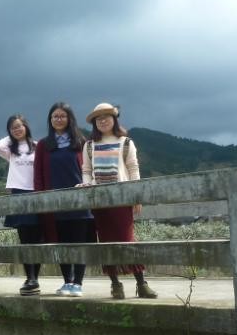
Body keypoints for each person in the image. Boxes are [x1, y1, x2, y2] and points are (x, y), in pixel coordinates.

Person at [82, 102, 158, 299]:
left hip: (122, 200)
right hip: (99, 203)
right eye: (98, 119)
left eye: (106, 117)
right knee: (106, 243)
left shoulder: (126, 142)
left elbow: (133, 168)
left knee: (128, 240)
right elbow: (87, 171)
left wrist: (136, 195)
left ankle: (141, 283)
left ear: (114, 119)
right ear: (94, 123)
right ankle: (115, 284)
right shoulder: (89, 145)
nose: (103, 121)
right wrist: (87, 184)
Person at [33, 102, 95, 297]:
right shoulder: (43, 145)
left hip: (80, 202)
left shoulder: (81, 142)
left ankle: (78, 283)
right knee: (61, 243)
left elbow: (88, 170)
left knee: (79, 243)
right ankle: (67, 281)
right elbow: (38, 174)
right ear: (50, 120)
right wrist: (41, 197)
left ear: (69, 119)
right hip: (54, 203)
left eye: (62, 116)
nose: (58, 119)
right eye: (54, 116)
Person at [0, 114, 42, 296]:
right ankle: (29, 277)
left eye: (20, 126)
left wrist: (25, 135)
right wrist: (12, 135)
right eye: (13, 128)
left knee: (36, 239)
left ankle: (34, 278)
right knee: (24, 239)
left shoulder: (37, 146)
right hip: (18, 193)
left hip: (35, 193)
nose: (16, 130)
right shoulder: (10, 150)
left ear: (26, 126)